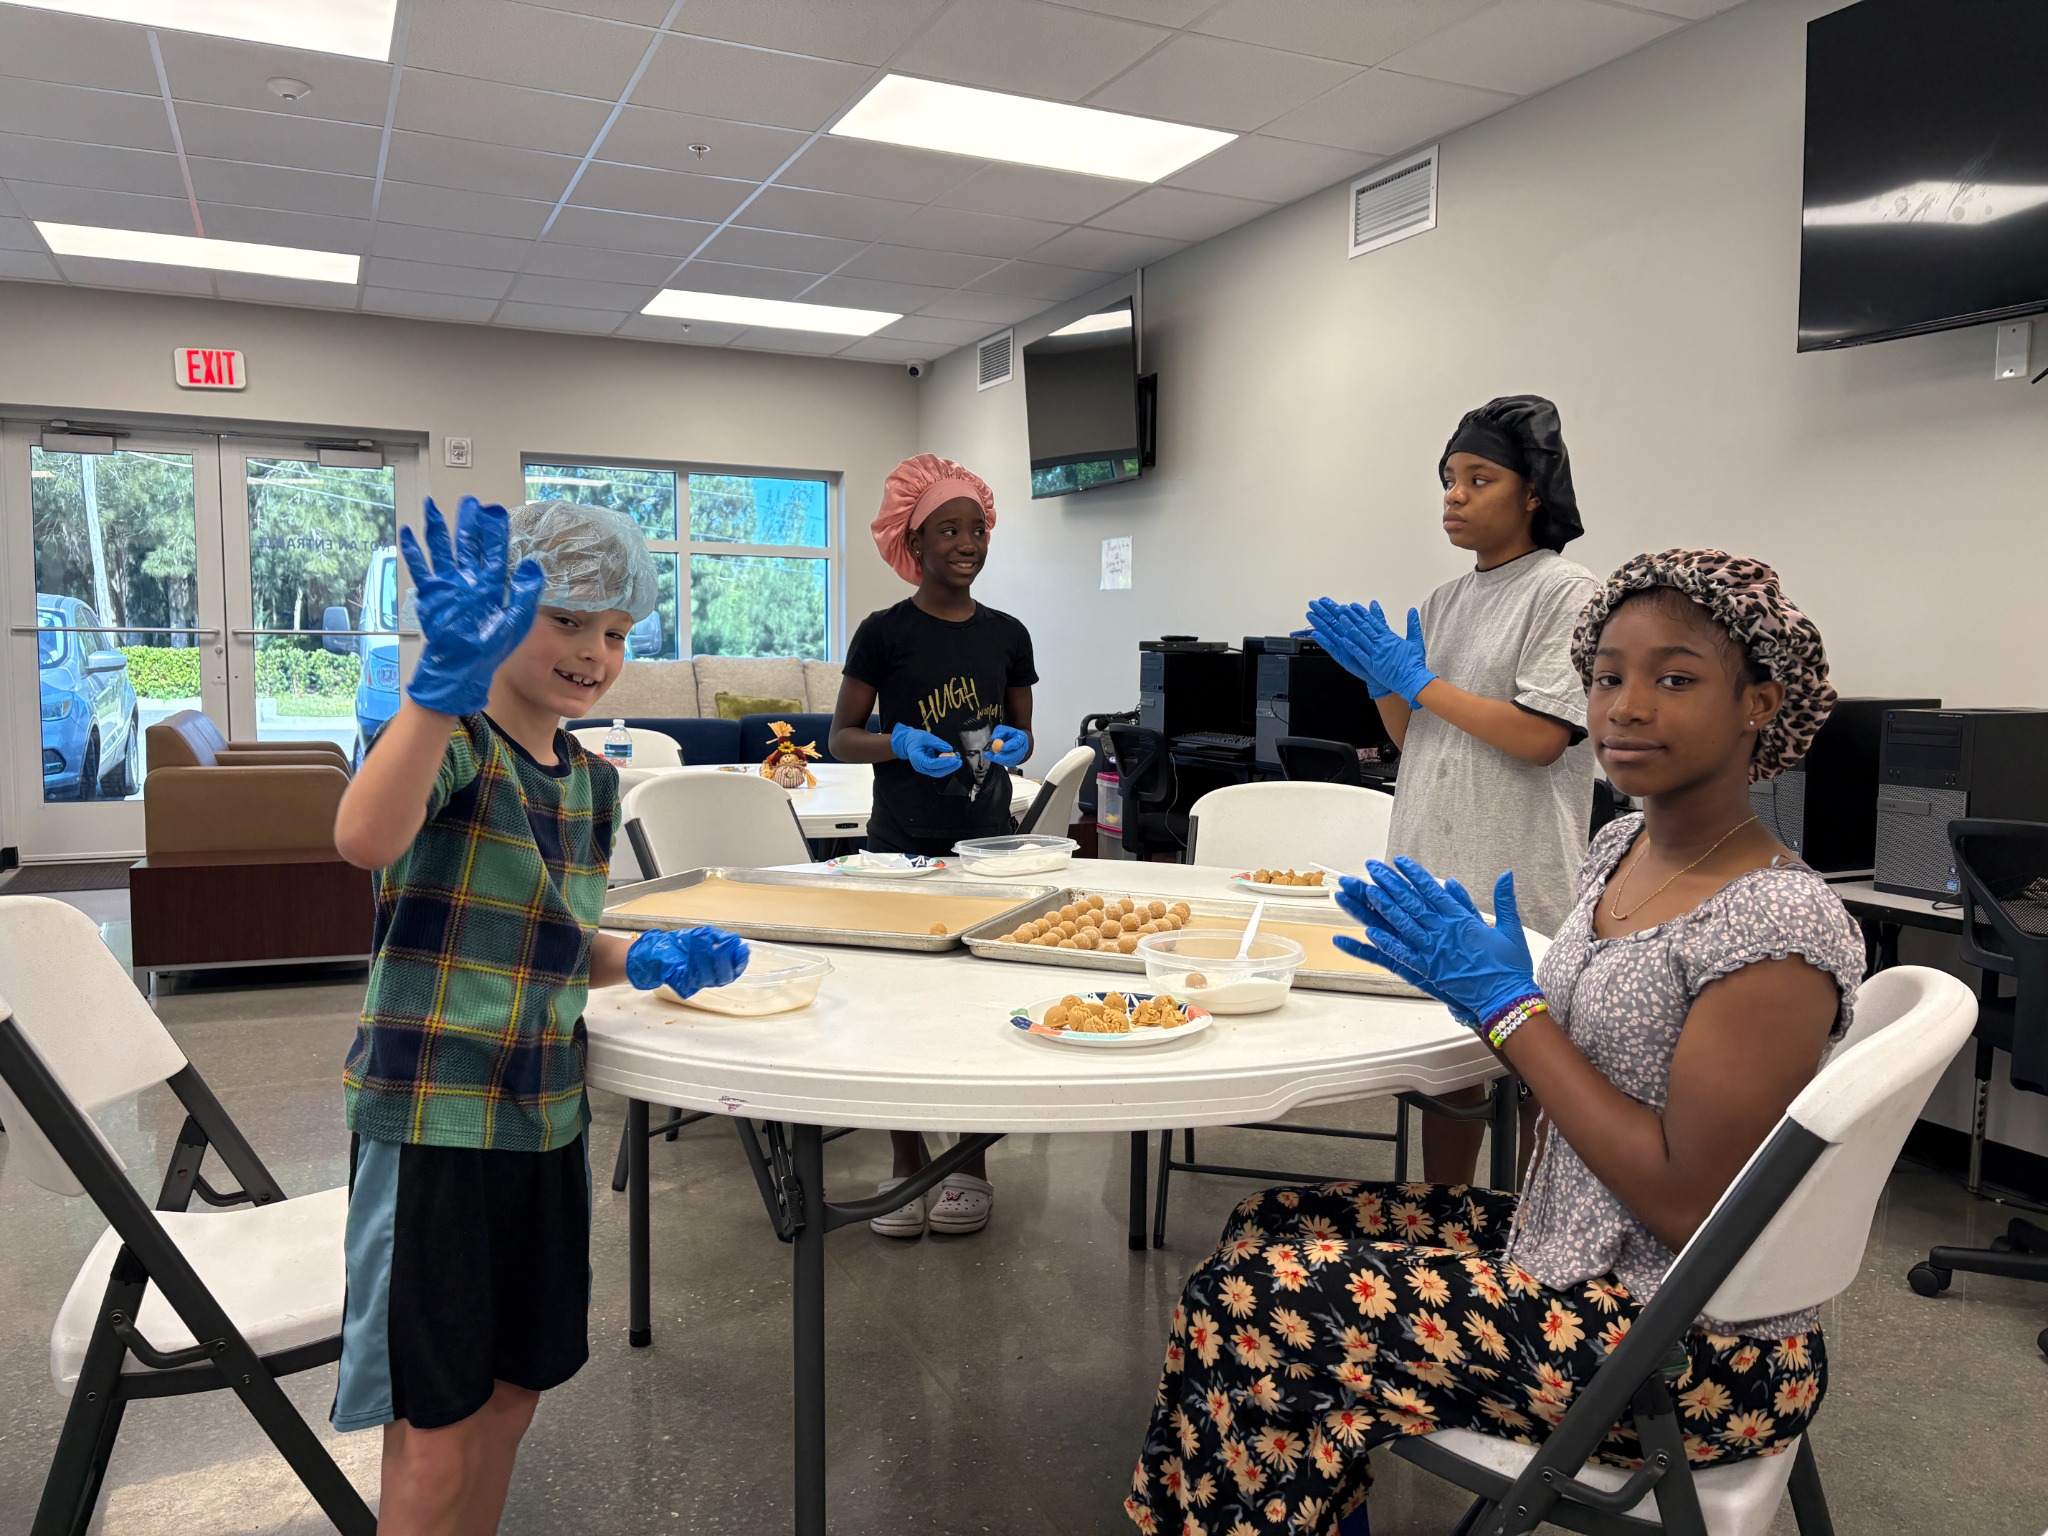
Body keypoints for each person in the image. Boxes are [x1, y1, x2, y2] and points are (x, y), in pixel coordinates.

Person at [1129, 550, 1860, 1536]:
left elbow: (1687, 1204)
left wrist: (1508, 1015)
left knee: (1247, 1304)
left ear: (1756, 703)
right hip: (1582, 1258)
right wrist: (1491, 993)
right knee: (1266, 1224)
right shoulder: (1622, 847)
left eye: (1671, 679)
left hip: (1686, 1347)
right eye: (1604, 677)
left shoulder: (1771, 927)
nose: (1622, 707)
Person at [330, 497, 749, 1536]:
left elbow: (559, 940)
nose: (593, 652)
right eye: (565, 619)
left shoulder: (596, 787)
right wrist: (435, 691)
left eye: (614, 632)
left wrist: (643, 956)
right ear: (501, 610)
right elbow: (365, 838)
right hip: (435, 1125)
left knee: (514, 1393)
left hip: (544, 1118)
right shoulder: (454, 746)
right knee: (436, 1422)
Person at [1306, 394, 1598, 1184]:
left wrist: (1418, 678)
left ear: (1533, 491)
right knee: (1442, 1060)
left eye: (1478, 478)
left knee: (1534, 1057)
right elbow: (1416, 739)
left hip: (1518, 869)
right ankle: (1446, 1216)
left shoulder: (1566, 592)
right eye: (1447, 479)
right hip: (1433, 861)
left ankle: (1533, 1227)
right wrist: (1382, 683)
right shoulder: (1443, 602)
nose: (1454, 496)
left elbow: (1541, 739)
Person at [830, 454, 1037, 1238]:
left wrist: (1014, 743)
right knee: (901, 1013)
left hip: (987, 848)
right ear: (913, 542)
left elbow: (1021, 736)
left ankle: (972, 1167)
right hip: (900, 850)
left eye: (976, 527)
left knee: (978, 1015)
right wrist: (897, 743)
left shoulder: (1008, 634)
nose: (966, 542)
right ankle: (906, 1164)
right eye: (947, 528)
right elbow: (842, 739)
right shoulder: (885, 634)